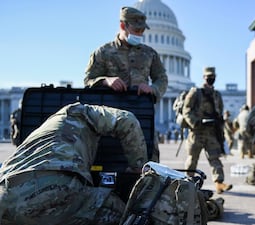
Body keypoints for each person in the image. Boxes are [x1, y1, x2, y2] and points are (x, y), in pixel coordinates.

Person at [0, 103, 148, 224]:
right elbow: (127, 120)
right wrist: (138, 167)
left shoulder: (45, 129)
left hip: (4, 194)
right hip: (51, 187)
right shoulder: (79, 112)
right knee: (126, 214)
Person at [84, 6, 168, 162]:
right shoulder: (103, 52)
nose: (140, 34)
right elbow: (88, 81)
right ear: (123, 26)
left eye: (142, 30)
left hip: (142, 113)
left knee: (149, 161)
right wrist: (105, 80)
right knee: (110, 161)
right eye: (136, 30)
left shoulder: (149, 53)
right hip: (110, 119)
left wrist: (152, 89)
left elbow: (161, 78)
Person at [182, 67, 233, 194]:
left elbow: (219, 111)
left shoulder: (217, 95)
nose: (211, 79)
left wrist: (220, 125)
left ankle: (219, 183)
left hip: (211, 132)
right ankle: (188, 181)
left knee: (215, 158)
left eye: (213, 76)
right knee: (192, 158)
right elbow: (186, 110)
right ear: (204, 77)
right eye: (208, 76)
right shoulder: (196, 92)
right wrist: (195, 122)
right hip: (197, 131)